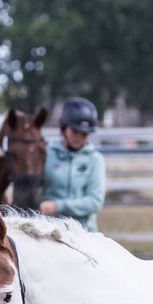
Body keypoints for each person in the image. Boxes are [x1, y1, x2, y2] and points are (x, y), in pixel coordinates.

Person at [40, 97, 107, 231]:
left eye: (84, 133)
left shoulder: (95, 159)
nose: (79, 137)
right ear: (64, 128)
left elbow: (95, 201)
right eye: (75, 131)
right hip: (48, 229)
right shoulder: (45, 153)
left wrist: (57, 206)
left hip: (83, 232)